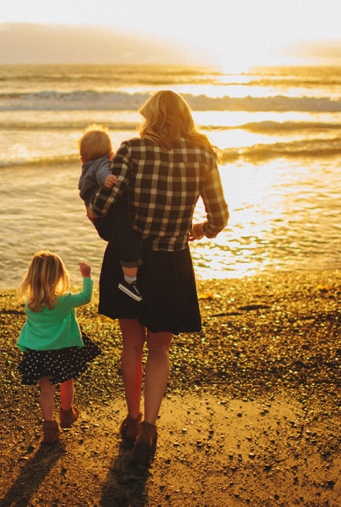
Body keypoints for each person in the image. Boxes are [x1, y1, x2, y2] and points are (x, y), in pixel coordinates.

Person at [90, 90, 229, 465]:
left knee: (132, 343)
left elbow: (104, 202)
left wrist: (92, 208)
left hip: (130, 260)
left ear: (150, 116)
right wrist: (202, 229)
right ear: (185, 117)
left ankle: (132, 420)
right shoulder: (202, 155)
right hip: (172, 262)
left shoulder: (132, 150)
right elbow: (219, 215)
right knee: (161, 348)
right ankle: (151, 426)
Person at [16, 252, 102, 444]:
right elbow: (86, 297)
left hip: (38, 352)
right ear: (59, 276)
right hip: (61, 349)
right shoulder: (62, 301)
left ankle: (49, 428)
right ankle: (66, 414)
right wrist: (87, 276)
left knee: (46, 390)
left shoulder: (30, 302)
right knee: (66, 380)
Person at [77, 124, 143, 302]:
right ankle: (130, 281)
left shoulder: (86, 167)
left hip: (99, 221)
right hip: (107, 217)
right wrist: (107, 179)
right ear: (111, 154)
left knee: (120, 240)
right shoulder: (103, 164)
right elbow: (103, 171)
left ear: (82, 159)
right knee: (128, 242)